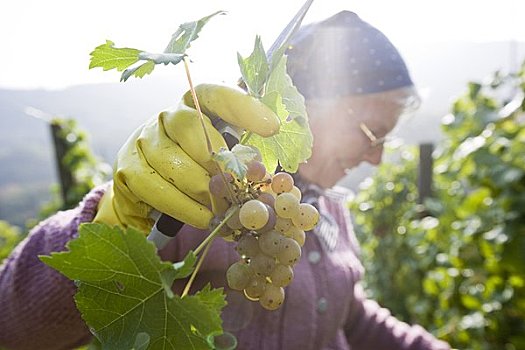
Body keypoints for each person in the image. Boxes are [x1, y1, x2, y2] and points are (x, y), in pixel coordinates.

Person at [0, 10, 450, 350]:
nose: (377, 156)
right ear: (309, 104)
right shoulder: (204, 194)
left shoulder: (322, 205)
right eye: (374, 134)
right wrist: (109, 225)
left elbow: (348, 316)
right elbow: (13, 325)